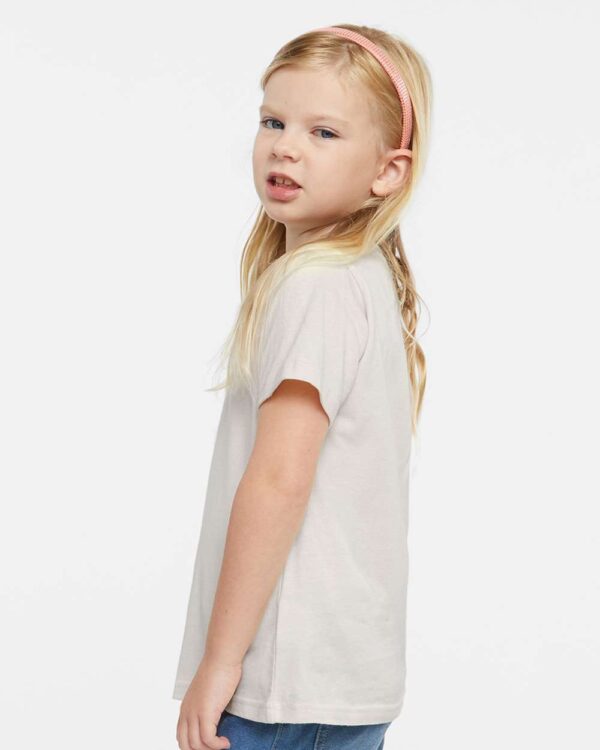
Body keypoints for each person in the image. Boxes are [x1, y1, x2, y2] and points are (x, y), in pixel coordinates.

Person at [173, 22, 432, 750]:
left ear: (388, 172)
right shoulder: (357, 278)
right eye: (273, 122)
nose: (285, 147)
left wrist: (220, 662)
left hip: (284, 685)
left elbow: (279, 480)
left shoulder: (316, 287)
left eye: (324, 132)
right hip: (336, 679)